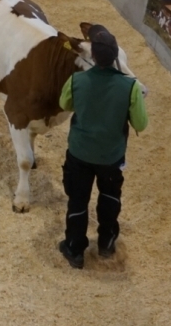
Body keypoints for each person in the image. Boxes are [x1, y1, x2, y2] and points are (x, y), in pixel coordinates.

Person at [57, 25, 147, 269]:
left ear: (93, 56)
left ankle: (75, 249)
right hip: (111, 156)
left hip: (79, 153)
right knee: (109, 197)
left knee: (77, 199)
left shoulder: (77, 80)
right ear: (116, 56)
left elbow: (65, 104)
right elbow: (141, 123)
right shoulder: (130, 87)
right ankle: (106, 243)